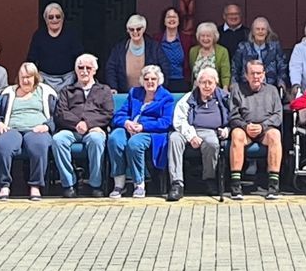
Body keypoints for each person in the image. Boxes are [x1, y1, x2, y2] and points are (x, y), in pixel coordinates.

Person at [51, 54, 115, 198]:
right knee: (57, 140)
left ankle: (95, 184)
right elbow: (60, 113)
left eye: (88, 68)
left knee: (96, 140)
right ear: (76, 70)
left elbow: (107, 113)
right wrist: (76, 123)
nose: (84, 71)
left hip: (94, 129)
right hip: (70, 129)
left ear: (94, 70)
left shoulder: (104, 90)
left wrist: (88, 123)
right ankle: (69, 184)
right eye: (81, 68)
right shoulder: (67, 90)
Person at [0, 62, 57, 200]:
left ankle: (35, 186)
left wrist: (47, 126)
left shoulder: (45, 92)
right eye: (22, 77)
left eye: (29, 77)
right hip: (12, 128)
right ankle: (4, 186)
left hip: (37, 129)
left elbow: (56, 115)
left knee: (39, 145)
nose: (25, 80)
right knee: (2, 145)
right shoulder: (8, 92)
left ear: (35, 78)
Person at [107, 65, 175, 198]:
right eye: (147, 79)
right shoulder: (135, 93)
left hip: (152, 132)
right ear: (142, 80)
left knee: (134, 143)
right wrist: (126, 123)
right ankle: (119, 184)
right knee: (115, 138)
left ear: (159, 80)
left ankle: (139, 184)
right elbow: (120, 114)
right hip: (130, 127)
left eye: (153, 79)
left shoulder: (166, 97)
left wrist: (142, 126)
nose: (150, 82)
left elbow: (166, 122)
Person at [167, 67, 231, 201]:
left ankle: (209, 180)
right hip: (188, 129)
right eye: (203, 82)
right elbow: (179, 120)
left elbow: (234, 117)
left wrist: (227, 129)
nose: (206, 86)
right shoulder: (188, 98)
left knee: (213, 143)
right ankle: (177, 183)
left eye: (210, 82)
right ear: (197, 83)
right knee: (174, 138)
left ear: (216, 83)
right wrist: (191, 136)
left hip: (211, 131)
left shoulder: (225, 98)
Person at [226, 59, 285, 200]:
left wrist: (262, 126)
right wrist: (245, 126)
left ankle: (273, 185)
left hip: (265, 129)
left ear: (264, 74)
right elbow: (233, 116)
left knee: (275, 135)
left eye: (259, 73)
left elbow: (278, 115)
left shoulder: (272, 90)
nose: (256, 76)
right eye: (252, 73)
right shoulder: (237, 89)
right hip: (245, 128)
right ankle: (236, 185)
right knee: (236, 134)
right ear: (246, 75)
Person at [26, 3, 85, 91]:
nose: (54, 19)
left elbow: (80, 58)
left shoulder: (71, 34)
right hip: (44, 80)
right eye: (51, 17)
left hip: (68, 80)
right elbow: (31, 59)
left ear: (62, 18)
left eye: (58, 16)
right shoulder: (39, 35)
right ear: (46, 19)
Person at [105, 14, 166, 91]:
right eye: (131, 29)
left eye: (138, 29)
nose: (135, 32)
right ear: (127, 30)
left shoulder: (154, 47)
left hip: (149, 94)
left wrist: (159, 88)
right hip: (125, 93)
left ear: (144, 29)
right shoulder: (119, 48)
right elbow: (111, 68)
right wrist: (113, 87)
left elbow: (164, 69)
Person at [230, 17, 287, 98]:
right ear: (253, 32)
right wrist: (234, 84)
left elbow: (282, 67)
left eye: (263, 29)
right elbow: (235, 68)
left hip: (270, 87)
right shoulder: (243, 47)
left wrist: (281, 82)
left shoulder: (274, 47)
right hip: (246, 89)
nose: (260, 32)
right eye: (257, 29)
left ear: (267, 32)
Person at [156, 6, 191, 92]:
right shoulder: (156, 39)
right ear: (164, 21)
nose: (171, 19)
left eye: (174, 17)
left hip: (181, 81)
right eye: (168, 17)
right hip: (160, 82)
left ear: (179, 21)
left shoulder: (187, 40)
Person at [187, 22, 232, 88]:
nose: (205, 39)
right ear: (198, 37)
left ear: (214, 37)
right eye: (202, 36)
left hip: (215, 89)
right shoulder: (193, 51)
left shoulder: (222, 51)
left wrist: (225, 89)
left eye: (208, 36)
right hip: (197, 89)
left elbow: (225, 75)